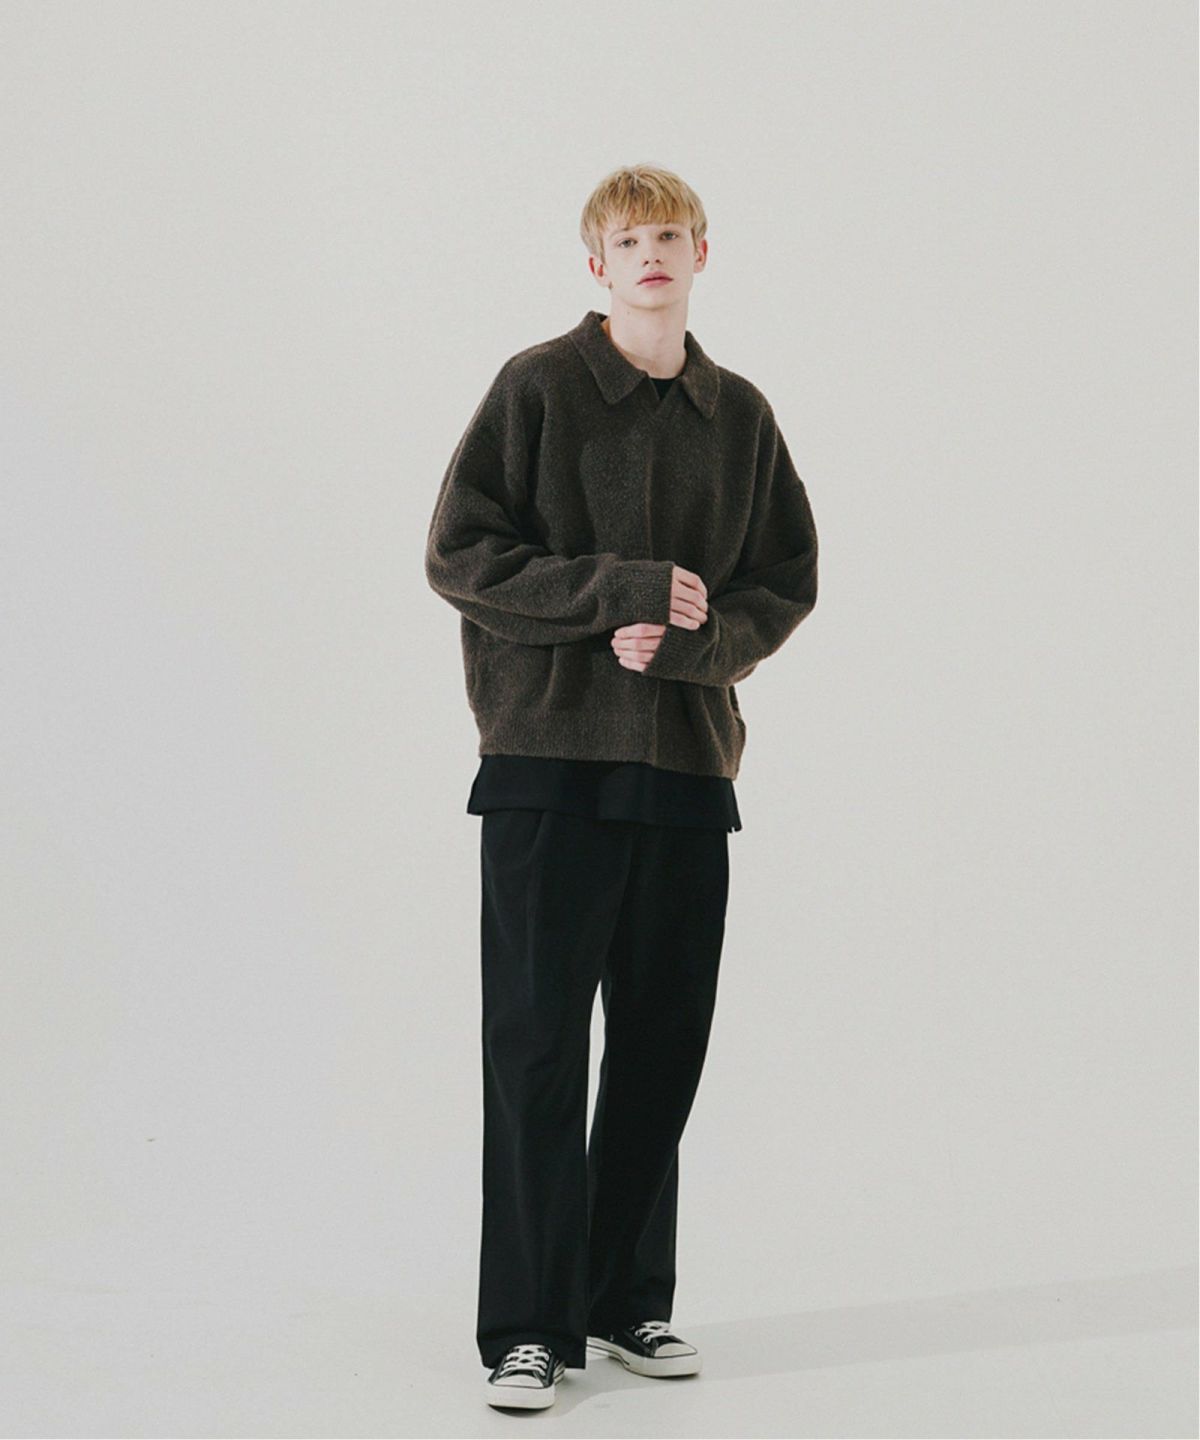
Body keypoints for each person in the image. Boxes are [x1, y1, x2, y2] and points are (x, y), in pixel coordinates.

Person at [424, 162, 819, 1411]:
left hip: (687, 763)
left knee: (660, 1050)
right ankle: (529, 1327)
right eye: (628, 240)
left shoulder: (739, 415)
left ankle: (625, 1301)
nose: (651, 256)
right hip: (548, 762)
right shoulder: (539, 386)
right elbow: (460, 553)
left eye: (670, 237)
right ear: (596, 265)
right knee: (537, 1050)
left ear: (704, 254)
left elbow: (785, 579)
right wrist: (620, 592)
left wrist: (699, 646)